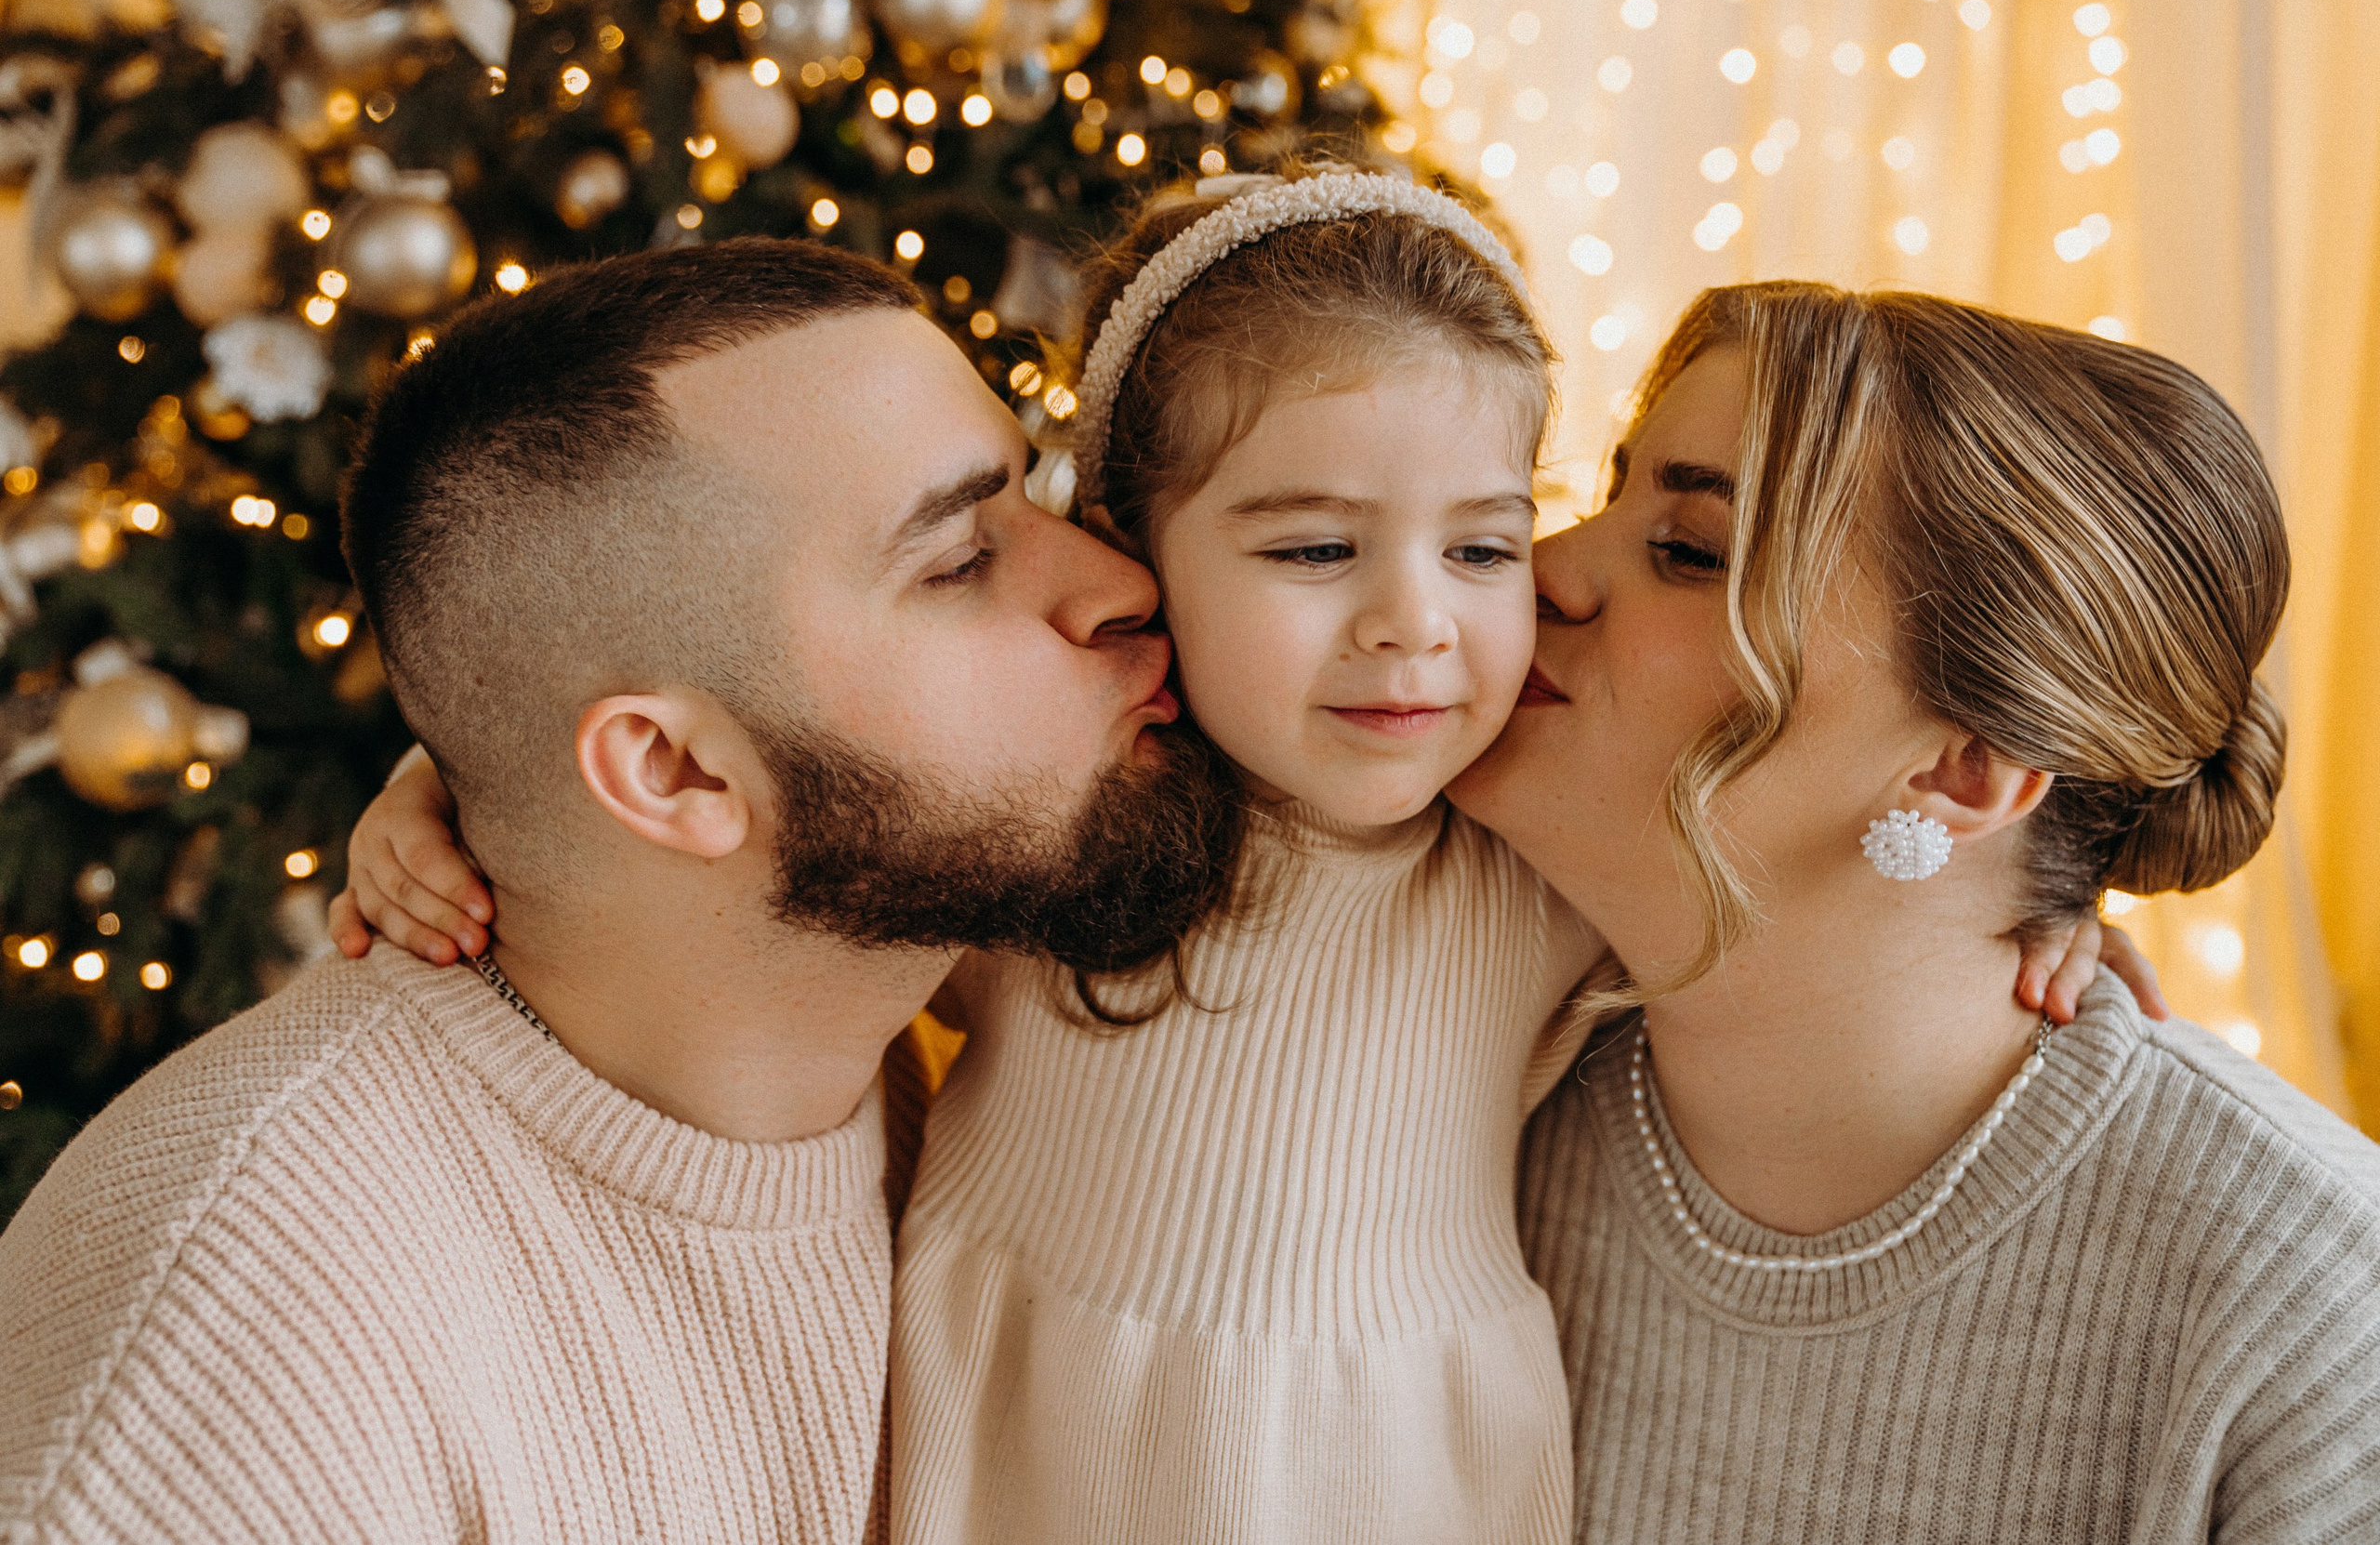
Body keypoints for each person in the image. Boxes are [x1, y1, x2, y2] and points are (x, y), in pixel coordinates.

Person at [327, 174, 2140, 1544]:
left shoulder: (1525, 844)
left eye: (1482, 547)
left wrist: (2052, 917)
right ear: (1135, 554)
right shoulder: (1074, 822)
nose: (1414, 627)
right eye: (1310, 552)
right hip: (1031, 1446)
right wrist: (438, 785)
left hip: (1391, 1470)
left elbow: (1807, 912)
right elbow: (746, 795)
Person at [0, 239, 1240, 1543]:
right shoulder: (239, 1375)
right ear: (674, 772)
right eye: (956, 563)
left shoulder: (996, 969)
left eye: (1039, 490)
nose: (1119, 583)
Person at [1454, 282, 2380, 1540]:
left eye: (1691, 551)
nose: (1544, 568)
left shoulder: (2313, 1313)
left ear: (1963, 772)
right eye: (1609, 497)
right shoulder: (1462, 1060)